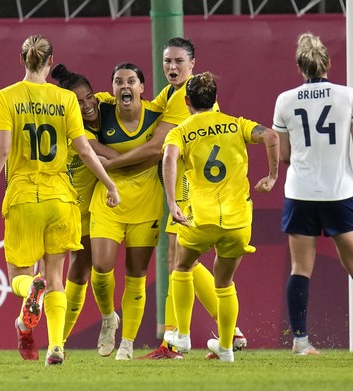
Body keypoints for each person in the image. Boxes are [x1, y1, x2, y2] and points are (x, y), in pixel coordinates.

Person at [0, 35, 120, 366]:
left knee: (18, 276)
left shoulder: (5, 98)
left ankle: (31, 286)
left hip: (23, 196)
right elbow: (85, 149)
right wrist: (110, 184)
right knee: (57, 276)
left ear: (22, 60)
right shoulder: (65, 99)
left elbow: (2, 150)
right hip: (61, 196)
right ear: (50, 61)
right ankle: (56, 346)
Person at [102, 37, 247, 360]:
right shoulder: (170, 94)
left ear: (192, 64)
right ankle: (220, 333)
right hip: (188, 183)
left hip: (192, 186)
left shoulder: (186, 97)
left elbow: (157, 147)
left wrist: (111, 162)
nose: (172, 67)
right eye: (167, 61)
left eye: (179, 61)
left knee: (180, 261)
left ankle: (175, 341)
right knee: (181, 261)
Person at [272, 32, 353, 356]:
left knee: (300, 268)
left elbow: (283, 155)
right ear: (327, 62)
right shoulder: (349, 96)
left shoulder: (285, 100)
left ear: (301, 67)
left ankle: (300, 342)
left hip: (301, 193)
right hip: (340, 193)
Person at [163, 71, 279, 362]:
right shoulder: (237, 125)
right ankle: (226, 348)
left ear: (187, 100)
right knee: (224, 283)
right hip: (238, 221)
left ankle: (184, 335)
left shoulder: (182, 130)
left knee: (182, 267)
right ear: (216, 99)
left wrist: (170, 202)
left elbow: (168, 158)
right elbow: (271, 135)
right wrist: (272, 176)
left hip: (200, 219)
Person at [89, 63, 164, 360]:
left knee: (136, 275)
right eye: (118, 81)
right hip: (109, 199)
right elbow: (89, 143)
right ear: (112, 89)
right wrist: (131, 161)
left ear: (142, 88)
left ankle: (128, 344)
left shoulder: (157, 116)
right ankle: (109, 318)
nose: (125, 86)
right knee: (101, 268)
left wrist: (112, 162)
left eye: (131, 81)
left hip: (146, 205)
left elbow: (156, 151)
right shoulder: (101, 110)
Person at [50, 64, 122, 344]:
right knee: (75, 271)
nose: (87, 104)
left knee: (89, 266)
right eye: (78, 102)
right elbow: (111, 155)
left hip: (96, 205)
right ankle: (59, 341)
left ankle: (103, 321)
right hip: (68, 209)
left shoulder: (106, 101)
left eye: (88, 96)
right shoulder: (77, 133)